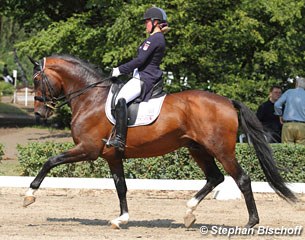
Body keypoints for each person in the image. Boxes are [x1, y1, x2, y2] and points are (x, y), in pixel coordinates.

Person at [105, 6, 169, 152]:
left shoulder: (155, 39)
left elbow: (139, 61)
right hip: (141, 76)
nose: (145, 24)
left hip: (145, 78)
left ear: (155, 22)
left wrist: (119, 70)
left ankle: (120, 139)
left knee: (120, 99)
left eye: (147, 21)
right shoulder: (154, 38)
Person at [274, 77, 305, 145]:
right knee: (301, 152)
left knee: (287, 151)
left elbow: (277, 104)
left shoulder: (289, 92)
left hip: (288, 125)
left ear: (296, 84)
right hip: (303, 126)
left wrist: (280, 115)